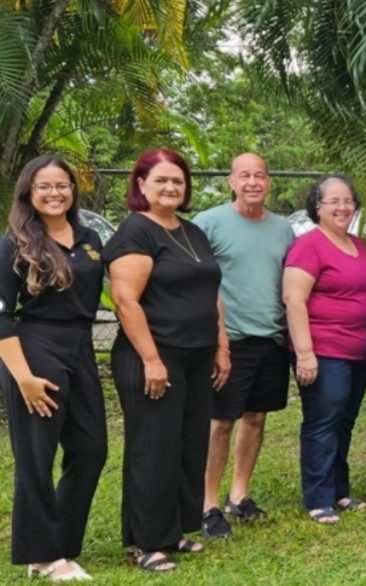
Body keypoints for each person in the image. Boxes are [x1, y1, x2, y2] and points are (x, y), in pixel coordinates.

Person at [105, 149, 231, 572]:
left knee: (186, 446)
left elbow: (210, 291)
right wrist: (152, 360)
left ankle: (172, 530)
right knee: (152, 448)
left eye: (177, 180)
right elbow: (126, 300)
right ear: (141, 185)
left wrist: (221, 345)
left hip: (197, 356)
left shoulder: (192, 231)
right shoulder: (134, 233)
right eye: (160, 180)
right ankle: (144, 542)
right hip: (153, 357)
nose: (170, 187)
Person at [0, 156, 106, 581]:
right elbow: (2, 314)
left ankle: (58, 541)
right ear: (28, 191)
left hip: (80, 346)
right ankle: (42, 556)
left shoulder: (89, 237)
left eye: (62, 185)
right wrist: (22, 376)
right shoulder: (13, 242)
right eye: (44, 186)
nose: (55, 192)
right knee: (36, 455)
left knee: (91, 449)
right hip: (35, 347)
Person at [193, 153, 294, 538]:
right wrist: (217, 341)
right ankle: (208, 504)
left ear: (269, 182)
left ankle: (239, 496)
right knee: (220, 423)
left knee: (256, 417)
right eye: (244, 175)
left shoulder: (283, 228)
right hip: (227, 341)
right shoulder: (210, 223)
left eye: (260, 176)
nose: (253, 182)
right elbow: (199, 282)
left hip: (270, 338)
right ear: (231, 181)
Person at [283, 174, 366, 524]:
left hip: (357, 352)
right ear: (317, 207)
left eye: (348, 200)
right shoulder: (309, 245)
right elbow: (293, 298)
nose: (342, 207)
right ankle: (318, 498)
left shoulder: (359, 245)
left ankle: (339, 490)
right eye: (333, 201)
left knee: (345, 421)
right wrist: (305, 353)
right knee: (323, 422)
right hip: (322, 350)